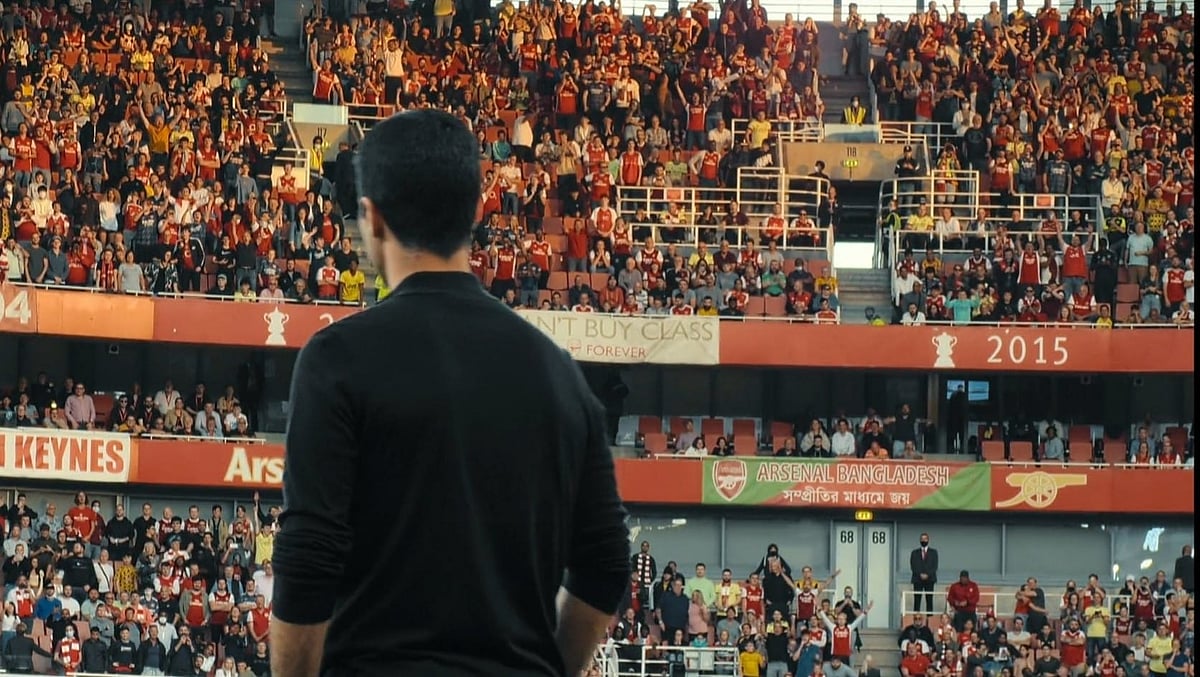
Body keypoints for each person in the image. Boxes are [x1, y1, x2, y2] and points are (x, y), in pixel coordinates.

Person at [270, 110, 631, 677]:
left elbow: (308, 562)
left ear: (374, 219)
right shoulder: (560, 375)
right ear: (477, 211)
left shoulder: (336, 360)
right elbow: (607, 561)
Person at [909, 533, 938, 614]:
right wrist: (920, 574)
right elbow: (913, 566)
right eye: (922, 539)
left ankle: (930, 619)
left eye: (925, 539)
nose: (923, 540)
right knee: (917, 600)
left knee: (929, 600)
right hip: (917, 579)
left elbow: (935, 566)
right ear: (920, 540)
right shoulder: (914, 552)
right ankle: (916, 617)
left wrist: (927, 575)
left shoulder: (933, 552)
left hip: (930, 579)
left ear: (928, 540)